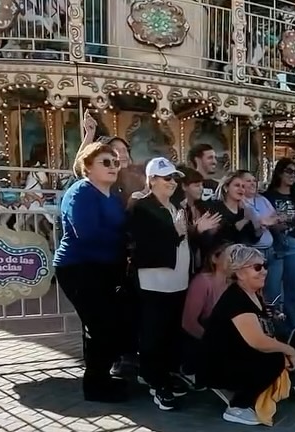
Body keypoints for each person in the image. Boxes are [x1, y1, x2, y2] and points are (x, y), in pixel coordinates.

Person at [202, 245, 295, 426]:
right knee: (273, 359)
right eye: (257, 267)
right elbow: (257, 341)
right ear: (240, 273)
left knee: (284, 348)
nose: (264, 271)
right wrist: (288, 351)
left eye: (264, 265)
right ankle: (238, 406)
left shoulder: (252, 294)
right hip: (217, 365)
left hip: (235, 355)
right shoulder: (236, 298)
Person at [53, 141, 128, 403]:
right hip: (79, 268)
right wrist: (123, 241)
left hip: (105, 268)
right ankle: (95, 386)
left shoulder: (113, 195)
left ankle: (101, 379)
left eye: (115, 162)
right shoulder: (81, 193)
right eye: (105, 162)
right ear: (88, 167)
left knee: (103, 326)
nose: (112, 167)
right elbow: (87, 233)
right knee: (101, 326)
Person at [128, 158, 192, 412]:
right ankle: (157, 382)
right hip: (154, 281)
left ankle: (164, 374)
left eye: (175, 178)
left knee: (170, 332)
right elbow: (141, 245)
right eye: (167, 178)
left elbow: (183, 239)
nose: (173, 183)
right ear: (152, 179)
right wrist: (174, 234)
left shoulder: (176, 206)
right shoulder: (140, 206)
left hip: (178, 280)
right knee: (154, 334)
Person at [263, 159, 295, 324]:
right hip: (275, 243)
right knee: (272, 285)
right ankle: (273, 321)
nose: (292, 175)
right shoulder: (267, 196)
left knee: (294, 284)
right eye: (289, 171)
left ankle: (293, 322)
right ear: (279, 172)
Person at [180, 243, 231, 385]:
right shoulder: (202, 282)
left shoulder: (234, 282)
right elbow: (188, 323)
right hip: (203, 336)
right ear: (215, 258)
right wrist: (213, 341)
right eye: (231, 256)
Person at [207, 171, 261, 252]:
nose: (241, 189)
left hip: (241, 258)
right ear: (226, 188)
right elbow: (215, 238)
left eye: (243, 186)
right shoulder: (216, 208)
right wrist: (240, 224)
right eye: (237, 185)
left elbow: (253, 239)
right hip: (221, 257)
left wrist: (259, 227)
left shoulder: (244, 212)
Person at [243, 173, 277, 265]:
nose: (253, 183)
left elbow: (276, 217)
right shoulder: (240, 202)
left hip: (270, 249)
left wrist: (268, 221)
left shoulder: (262, 199)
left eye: (254, 181)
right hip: (252, 251)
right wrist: (265, 221)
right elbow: (257, 223)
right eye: (248, 181)